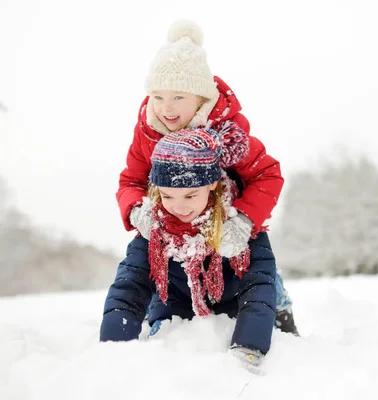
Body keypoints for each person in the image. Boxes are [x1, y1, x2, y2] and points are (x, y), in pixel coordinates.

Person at [116, 19, 298, 335]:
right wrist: (137, 211)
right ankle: (158, 318)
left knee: (257, 267)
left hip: (223, 224)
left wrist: (243, 220)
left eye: (179, 97)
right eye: (158, 97)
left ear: (201, 98)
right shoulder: (148, 132)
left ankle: (278, 314)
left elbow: (267, 174)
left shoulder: (225, 133)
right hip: (175, 225)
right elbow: (131, 179)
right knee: (151, 270)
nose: (166, 108)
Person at [101, 128, 276, 373]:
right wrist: (114, 348)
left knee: (271, 294)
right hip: (174, 305)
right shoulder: (155, 227)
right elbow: (129, 287)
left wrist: (249, 346)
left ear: (212, 184)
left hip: (234, 306)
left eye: (190, 195)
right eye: (167, 196)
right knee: (167, 348)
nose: (178, 207)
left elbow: (258, 286)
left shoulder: (237, 226)